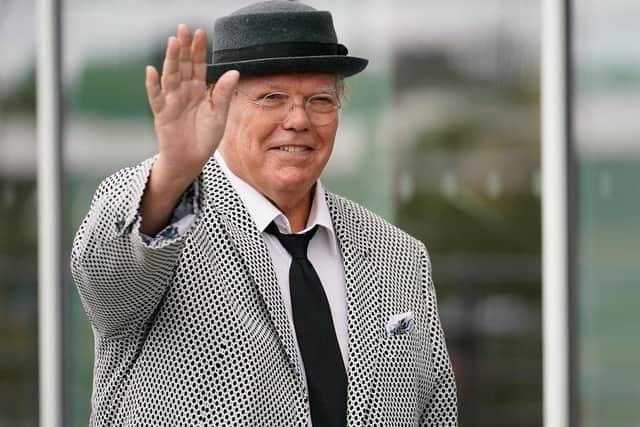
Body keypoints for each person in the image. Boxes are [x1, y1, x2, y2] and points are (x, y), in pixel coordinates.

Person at [71, 1, 457, 426]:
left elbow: (435, 409)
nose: (298, 120)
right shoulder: (164, 220)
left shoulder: (398, 255)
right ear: (220, 108)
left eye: (320, 100)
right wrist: (173, 173)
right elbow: (102, 274)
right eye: (272, 97)